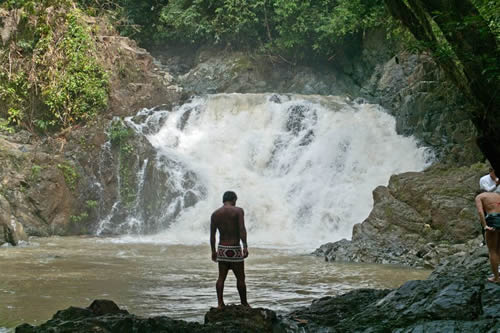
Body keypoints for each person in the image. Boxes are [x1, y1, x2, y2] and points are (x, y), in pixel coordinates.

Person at [210, 191, 249, 308]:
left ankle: (220, 304)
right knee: (241, 278)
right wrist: (245, 246)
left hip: (222, 249)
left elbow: (212, 236)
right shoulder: (238, 211)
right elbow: (242, 229)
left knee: (221, 277)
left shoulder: (215, 214)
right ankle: (244, 303)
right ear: (233, 199)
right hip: (235, 249)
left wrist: (213, 251)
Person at [475, 191, 500, 283]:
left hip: (493, 220)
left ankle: (496, 278)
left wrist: (485, 225)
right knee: (499, 249)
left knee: (492, 250)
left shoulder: (479, 197)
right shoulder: (497, 195)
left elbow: (480, 211)